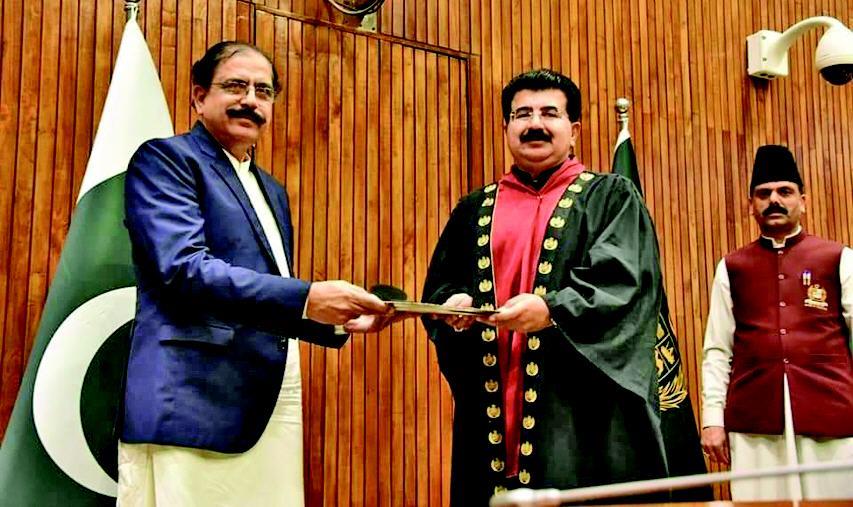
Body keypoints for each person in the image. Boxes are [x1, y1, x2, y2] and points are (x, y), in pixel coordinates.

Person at [118, 41, 388, 506]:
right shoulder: (167, 160)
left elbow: (264, 298)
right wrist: (308, 297)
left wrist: (338, 320)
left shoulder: (272, 190)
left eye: (263, 91)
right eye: (235, 86)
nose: (250, 100)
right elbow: (183, 270)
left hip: (270, 397)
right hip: (193, 399)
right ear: (199, 97)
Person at [421, 69, 668, 505]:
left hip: (581, 416)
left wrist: (553, 311)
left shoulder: (611, 198)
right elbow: (441, 285)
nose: (535, 124)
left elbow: (624, 286)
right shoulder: (473, 208)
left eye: (549, 113)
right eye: (523, 114)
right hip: (492, 406)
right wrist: (451, 305)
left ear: (574, 130)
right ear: (506, 127)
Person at [701, 144, 853, 500]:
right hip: (754, 422)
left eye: (785, 191)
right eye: (764, 193)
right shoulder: (732, 267)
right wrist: (712, 419)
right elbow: (718, 349)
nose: (774, 200)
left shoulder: (838, 258)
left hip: (831, 413)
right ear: (750, 205)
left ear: (803, 201)